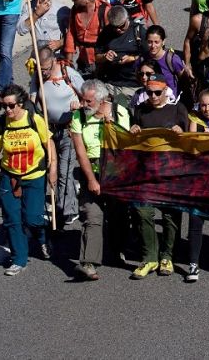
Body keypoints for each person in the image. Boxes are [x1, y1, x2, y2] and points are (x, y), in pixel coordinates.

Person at [0, 84, 56, 276]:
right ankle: (19, 258)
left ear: (21, 104)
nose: (7, 110)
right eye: (4, 106)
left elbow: (49, 145)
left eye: (11, 106)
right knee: (12, 219)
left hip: (34, 176)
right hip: (9, 177)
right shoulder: (3, 123)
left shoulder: (35, 120)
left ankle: (42, 236)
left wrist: (53, 170)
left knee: (33, 218)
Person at [125, 79, 187, 278]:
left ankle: (167, 256)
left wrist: (181, 132)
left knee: (170, 215)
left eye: (157, 93)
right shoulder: (141, 110)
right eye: (149, 92)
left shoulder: (177, 109)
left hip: (171, 172)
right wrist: (133, 132)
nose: (153, 97)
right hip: (146, 172)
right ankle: (149, 258)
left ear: (165, 91)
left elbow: (191, 139)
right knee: (143, 213)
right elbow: (134, 140)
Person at [70, 80, 130, 281]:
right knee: (92, 215)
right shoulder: (79, 117)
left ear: (102, 100)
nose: (83, 104)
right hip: (92, 170)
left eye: (88, 101)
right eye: (82, 99)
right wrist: (90, 180)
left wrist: (109, 122)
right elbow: (80, 151)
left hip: (114, 171)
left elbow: (125, 142)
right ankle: (88, 263)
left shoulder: (120, 112)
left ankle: (117, 249)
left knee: (117, 216)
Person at [29, 49, 84, 227]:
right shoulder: (37, 77)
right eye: (40, 68)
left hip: (68, 130)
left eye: (45, 68)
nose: (43, 72)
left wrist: (79, 106)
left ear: (53, 61)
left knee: (64, 171)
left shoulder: (69, 74)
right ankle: (60, 204)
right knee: (51, 168)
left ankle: (66, 210)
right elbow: (32, 101)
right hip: (49, 132)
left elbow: (87, 97)